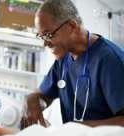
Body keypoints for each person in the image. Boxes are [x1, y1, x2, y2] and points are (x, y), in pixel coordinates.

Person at [22, 0, 124, 128]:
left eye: (48, 34)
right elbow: (44, 95)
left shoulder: (110, 61)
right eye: (41, 36)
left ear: (71, 26)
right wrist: (32, 99)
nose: (45, 43)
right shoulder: (63, 59)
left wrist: (80, 128)